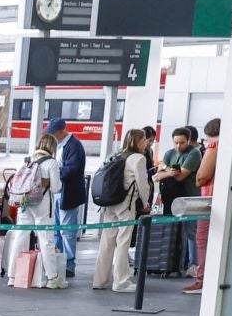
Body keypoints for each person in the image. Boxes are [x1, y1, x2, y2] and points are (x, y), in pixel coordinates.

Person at [93, 127, 154, 294]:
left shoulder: (117, 155)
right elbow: (142, 184)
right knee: (123, 241)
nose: (146, 144)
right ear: (138, 141)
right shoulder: (138, 158)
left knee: (107, 241)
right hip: (126, 204)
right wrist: (146, 201)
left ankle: (100, 279)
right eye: (144, 140)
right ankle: (121, 281)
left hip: (110, 202)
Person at [9, 133, 67, 290]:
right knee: (46, 239)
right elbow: (56, 188)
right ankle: (52, 278)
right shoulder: (51, 163)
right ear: (52, 147)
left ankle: (13, 276)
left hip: (24, 202)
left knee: (20, 237)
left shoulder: (27, 160)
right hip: (42, 203)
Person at [157, 125, 204, 277]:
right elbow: (157, 175)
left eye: (182, 143)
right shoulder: (169, 153)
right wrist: (169, 172)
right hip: (171, 198)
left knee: (191, 232)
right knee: (172, 231)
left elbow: (181, 175)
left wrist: (167, 172)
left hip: (190, 198)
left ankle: (193, 264)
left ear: (189, 141)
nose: (178, 146)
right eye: (176, 142)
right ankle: (173, 263)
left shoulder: (194, 153)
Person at [187, 118, 219, 294]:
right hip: (225, 200)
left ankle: (202, 280)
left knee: (203, 239)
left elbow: (201, 177)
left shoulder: (214, 146)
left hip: (209, 201)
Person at [54, 119, 88, 280]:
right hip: (59, 193)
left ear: (61, 131)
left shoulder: (74, 146)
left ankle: (68, 264)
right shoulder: (63, 145)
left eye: (54, 133)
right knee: (57, 230)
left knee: (67, 231)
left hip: (68, 194)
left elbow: (71, 170)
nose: (52, 136)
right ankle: (59, 261)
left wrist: (54, 172)